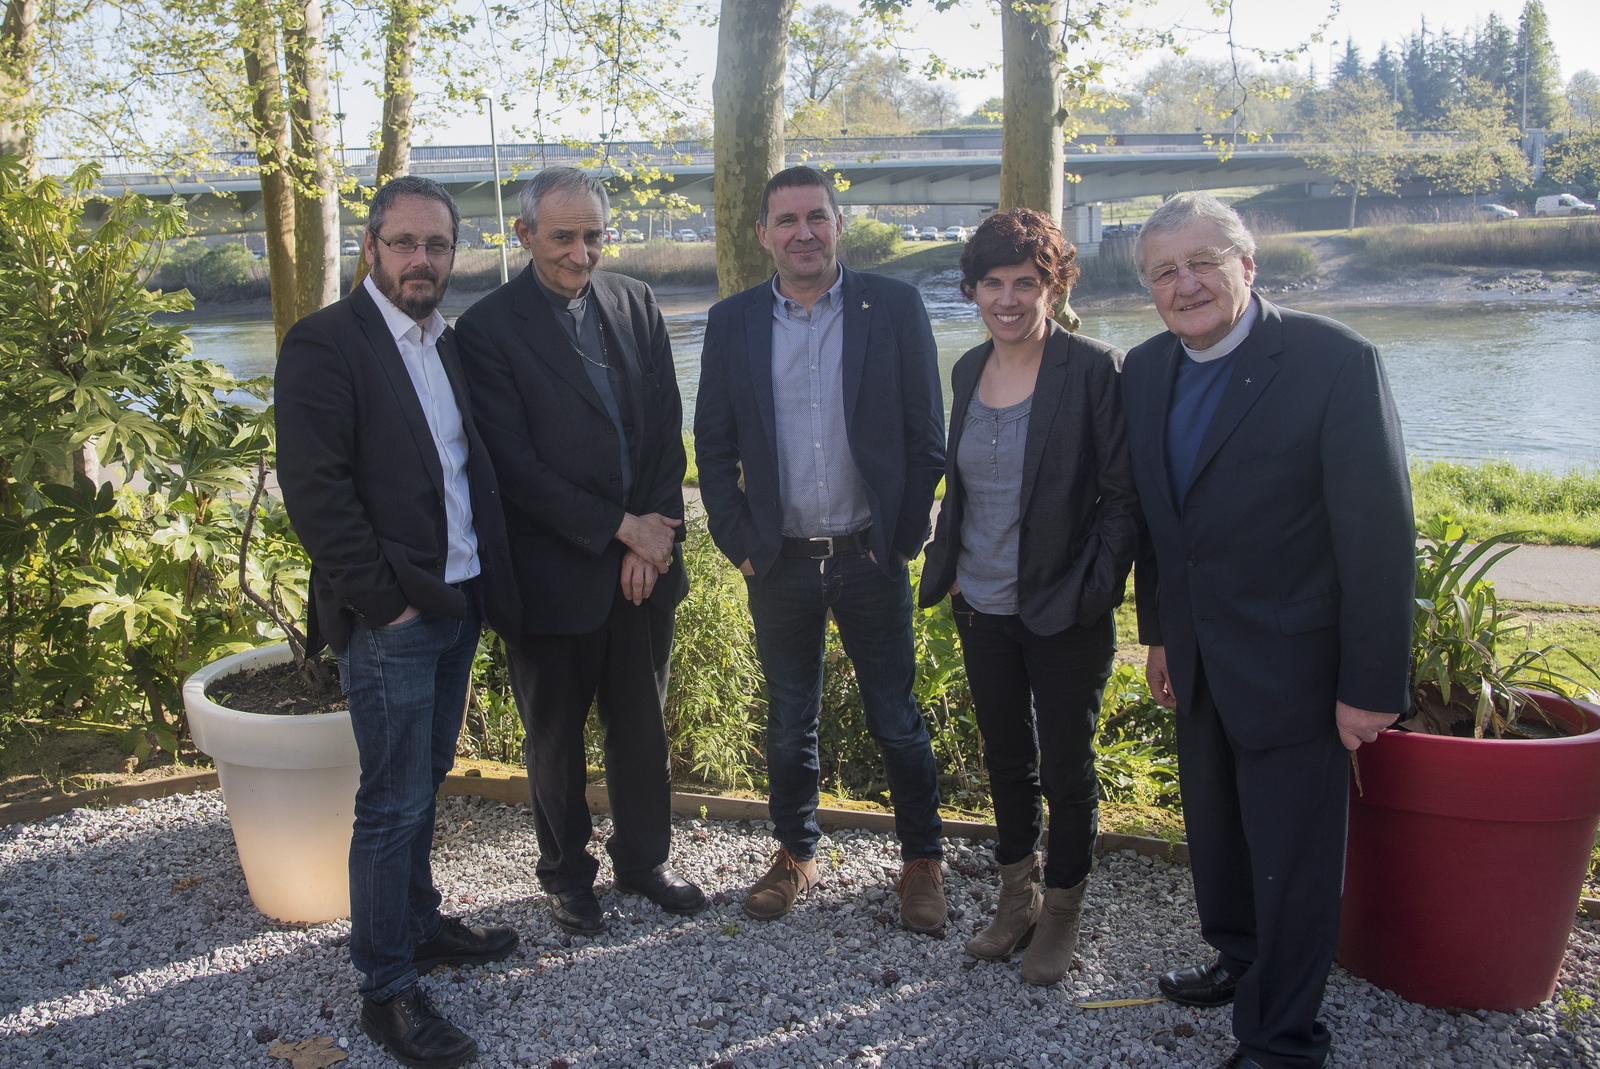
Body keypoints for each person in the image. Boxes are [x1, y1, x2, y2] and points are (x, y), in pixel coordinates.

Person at [1120, 192, 1414, 1069]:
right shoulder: (1143, 369)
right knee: (1217, 829)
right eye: (1164, 271)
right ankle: (1238, 957)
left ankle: (1283, 1035)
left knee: (1294, 855)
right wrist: (1161, 633)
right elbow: (1155, 523)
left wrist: (1371, 684)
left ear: (1249, 265)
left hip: (1297, 661)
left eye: (1203, 261)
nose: (1186, 283)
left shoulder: (1333, 361)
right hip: (1200, 652)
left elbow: (1377, 532)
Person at [276, 175, 522, 1069]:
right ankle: (387, 990)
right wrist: (389, 600)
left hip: (458, 602)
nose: (423, 259)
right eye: (405, 242)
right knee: (391, 802)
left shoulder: (444, 343)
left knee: (424, 778)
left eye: (439, 246)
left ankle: (418, 927)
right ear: (372, 248)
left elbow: (459, 470)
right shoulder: (325, 344)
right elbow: (317, 492)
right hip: (394, 617)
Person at [694, 166, 948, 932]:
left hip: (871, 558)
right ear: (764, 233)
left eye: (816, 217)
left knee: (897, 716)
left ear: (839, 223)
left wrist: (900, 542)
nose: (803, 232)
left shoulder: (893, 307)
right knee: (788, 718)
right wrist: (742, 543)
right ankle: (797, 851)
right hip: (780, 564)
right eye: (787, 220)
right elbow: (711, 447)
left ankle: (922, 860)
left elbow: (925, 437)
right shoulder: (732, 320)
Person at [453, 167, 705, 939]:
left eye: (593, 234)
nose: (581, 252)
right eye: (563, 236)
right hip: (552, 576)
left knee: (642, 724)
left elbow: (666, 426)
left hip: (644, 568)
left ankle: (644, 860)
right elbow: (515, 468)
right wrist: (618, 528)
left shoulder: (636, 301)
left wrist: (655, 533)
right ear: (524, 235)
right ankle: (566, 877)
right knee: (556, 740)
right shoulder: (487, 330)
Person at [917, 208, 1140, 984]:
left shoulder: (1096, 369)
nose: (1007, 299)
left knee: (1067, 767)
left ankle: (1063, 911)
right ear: (972, 290)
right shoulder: (966, 369)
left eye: (1025, 283)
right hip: (979, 603)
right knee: (1006, 759)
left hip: (1063, 610)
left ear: (1053, 285)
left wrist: (1094, 591)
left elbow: (1123, 499)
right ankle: (1016, 900)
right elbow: (965, 483)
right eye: (992, 284)